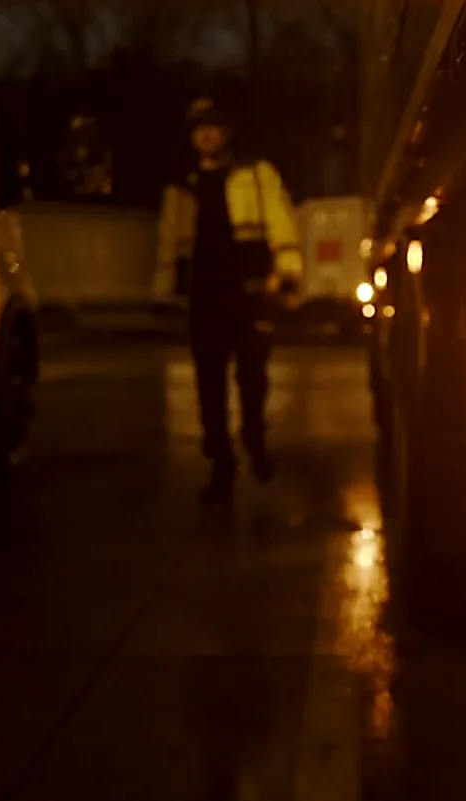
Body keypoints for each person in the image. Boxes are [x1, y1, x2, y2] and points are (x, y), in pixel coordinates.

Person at [154, 97, 303, 502]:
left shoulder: (257, 175)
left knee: (253, 376)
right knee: (209, 384)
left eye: (212, 126)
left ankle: (254, 439)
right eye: (198, 127)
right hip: (204, 298)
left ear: (227, 132)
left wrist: (287, 273)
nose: (205, 134)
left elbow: (281, 221)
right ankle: (220, 464)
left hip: (249, 292)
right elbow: (170, 243)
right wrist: (165, 291)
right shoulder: (181, 187)